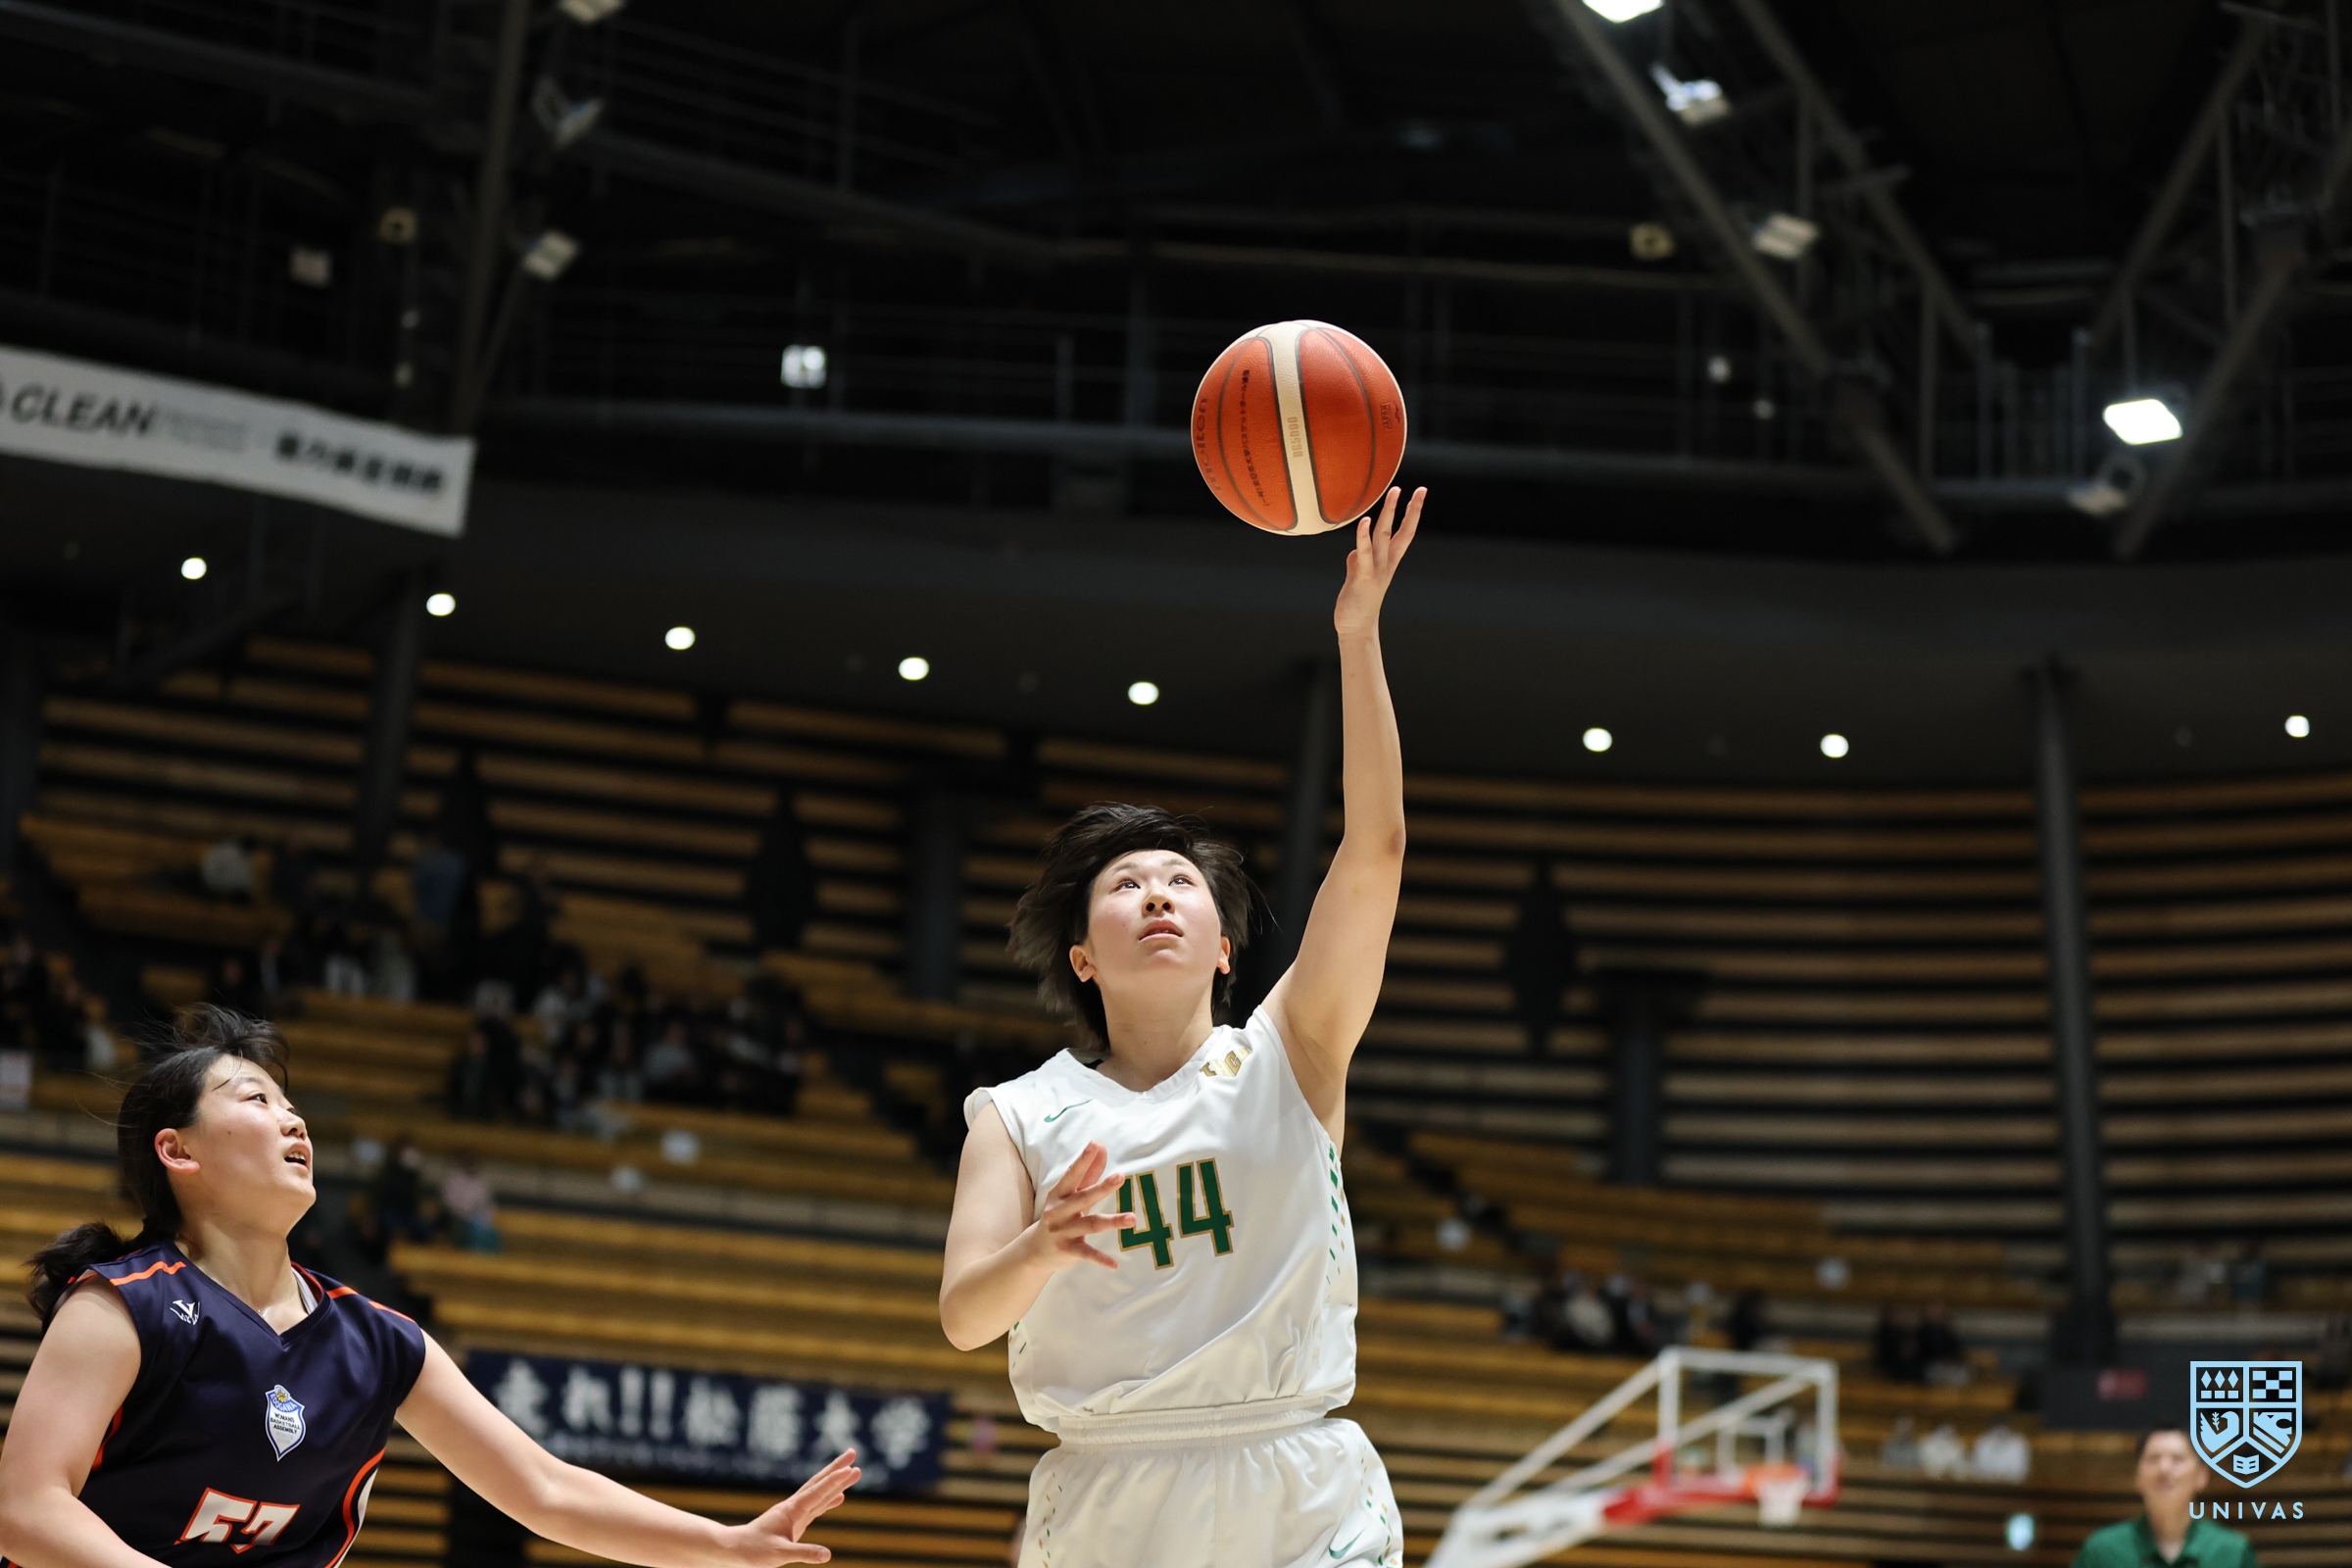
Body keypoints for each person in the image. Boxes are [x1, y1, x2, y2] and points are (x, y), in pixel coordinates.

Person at [939, 486, 1424, 1568]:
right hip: (1113, 1494)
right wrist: (1040, 1246)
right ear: (1082, 955)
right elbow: (966, 1317)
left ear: (1224, 949)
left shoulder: (1295, 1048)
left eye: (1179, 882)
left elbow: (1378, 848)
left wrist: (1358, 638)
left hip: (1299, 1481)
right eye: (1125, 885)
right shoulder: (1017, 1116)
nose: (1156, 892)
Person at [0, 1006, 858, 1568]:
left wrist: (727, 1545)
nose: (293, 1119)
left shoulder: (377, 1343)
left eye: (292, 1105)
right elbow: (26, 1510)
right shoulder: (122, 1307)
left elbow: (546, 1490)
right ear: (177, 1150)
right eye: (255, 1099)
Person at [2071, 1427, 2258, 1567]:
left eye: (2177, 1459)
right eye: (2153, 1458)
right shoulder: (2101, 1552)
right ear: (2137, 1476)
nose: (2164, 1469)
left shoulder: (2233, 1552)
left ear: (2201, 1476)